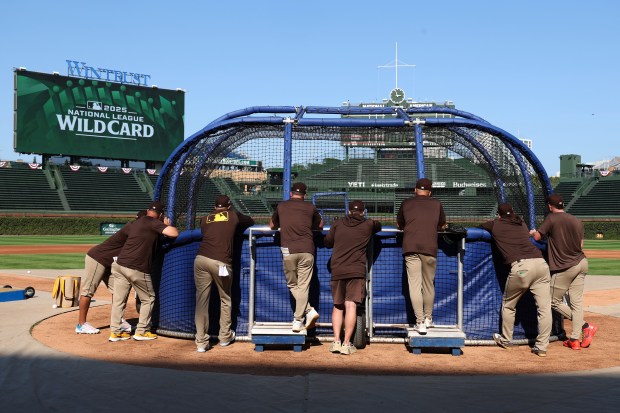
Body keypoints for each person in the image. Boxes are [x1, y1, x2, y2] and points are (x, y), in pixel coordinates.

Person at [481, 203, 552, 357]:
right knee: (545, 309)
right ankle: (541, 347)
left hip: (521, 267)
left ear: (499, 215)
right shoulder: (522, 223)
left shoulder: (495, 224)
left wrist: (493, 221)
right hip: (541, 264)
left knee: (508, 305)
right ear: (512, 213)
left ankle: (506, 340)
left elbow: (483, 226)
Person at [530, 194, 596, 350]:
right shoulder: (576, 220)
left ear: (549, 206)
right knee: (576, 303)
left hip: (565, 266)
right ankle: (574, 340)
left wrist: (532, 233)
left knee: (552, 301)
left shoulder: (552, 218)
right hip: (581, 262)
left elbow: (538, 237)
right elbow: (581, 244)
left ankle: (586, 326)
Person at [108, 201, 178, 342]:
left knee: (118, 301)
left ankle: (115, 332)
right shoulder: (154, 222)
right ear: (160, 214)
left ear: (147, 211)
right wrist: (166, 225)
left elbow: (121, 238)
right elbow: (174, 233)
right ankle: (142, 331)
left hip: (120, 265)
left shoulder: (136, 223)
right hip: (136, 267)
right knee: (149, 298)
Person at [194, 195, 254, 353]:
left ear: (214, 207)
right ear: (228, 206)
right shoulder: (233, 215)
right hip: (221, 261)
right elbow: (250, 221)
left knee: (201, 301)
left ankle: (201, 342)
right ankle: (225, 337)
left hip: (200, 259)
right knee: (225, 299)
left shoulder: (205, 218)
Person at [324, 200, 382, 355]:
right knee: (351, 306)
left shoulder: (338, 223)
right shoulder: (368, 224)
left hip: (337, 269)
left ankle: (336, 341)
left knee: (338, 305)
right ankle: (347, 343)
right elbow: (379, 226)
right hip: (356, 271)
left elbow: (327, 242)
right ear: (363, 212)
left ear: (349, 211)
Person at [75, 210, 146, 334]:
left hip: (111, 263)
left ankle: (118, 321)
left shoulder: (138, 230)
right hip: (98, 258)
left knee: (119, 292)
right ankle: (81, 324)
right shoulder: (133, 229)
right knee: (88, 291)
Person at [269, 182, 323, 333]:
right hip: (307, 249)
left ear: (291, 193)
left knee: (293, 285)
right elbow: (320, 225)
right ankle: (308, 311)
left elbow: (272, 225)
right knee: (303, 286)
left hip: (288, 251)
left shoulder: (281, 206)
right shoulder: (310, 207)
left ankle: (298, 319)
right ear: (304, 195)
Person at [396, 178, 447, 334]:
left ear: (415, 190)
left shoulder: (406, 203)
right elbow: (443, 225)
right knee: (428, 285)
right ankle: (428, 318)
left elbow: (399, 224)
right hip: (430, 247)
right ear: (430, 192)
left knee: (415, 286)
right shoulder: (436, 203)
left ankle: (420, 322)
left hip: (411, 247)